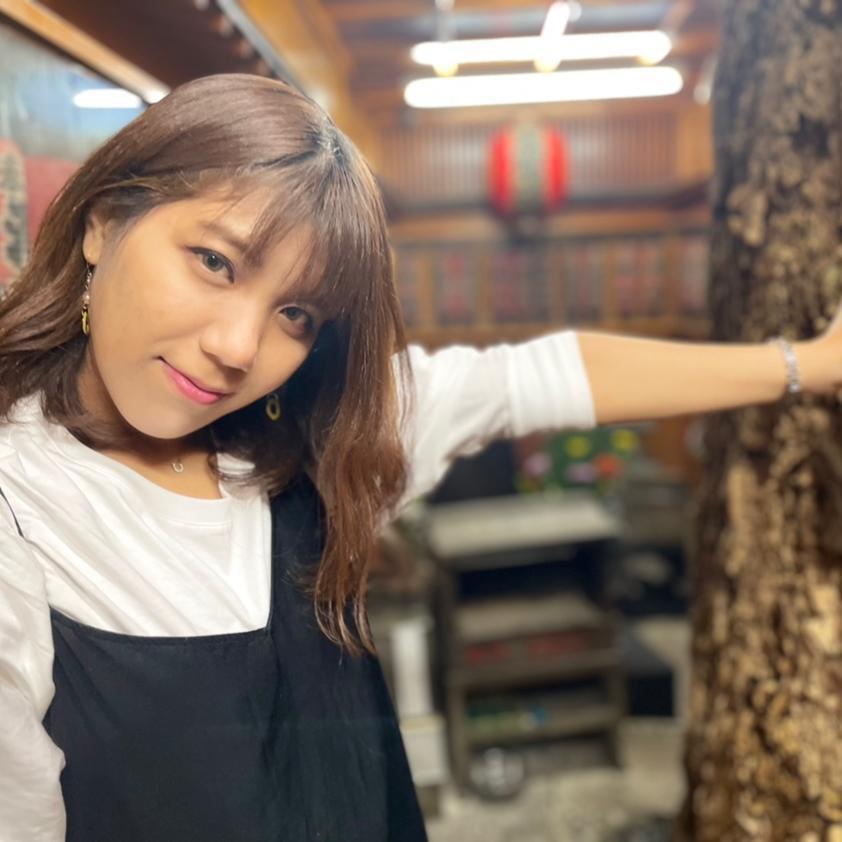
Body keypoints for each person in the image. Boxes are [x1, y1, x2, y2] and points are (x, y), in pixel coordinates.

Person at [0, 73, 840, 842]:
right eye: (214, 262)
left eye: (296, 315)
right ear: (103, 222)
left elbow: (537, 376)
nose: (237, 346)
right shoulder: (20, 508)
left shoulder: (319, 435)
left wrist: (810, 363)